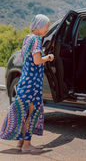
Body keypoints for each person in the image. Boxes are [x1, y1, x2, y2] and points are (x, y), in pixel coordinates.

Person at [0, 14, 54, 153]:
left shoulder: (27, 38)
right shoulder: (36, 40)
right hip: (33, 84)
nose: (47, 29)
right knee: (32, 113)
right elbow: (37, 60)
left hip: (25, 81)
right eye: (46, 26)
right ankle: (27, 146)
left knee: (23, 112)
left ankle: (20, 143)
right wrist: (48, 57)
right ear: (40, 26)